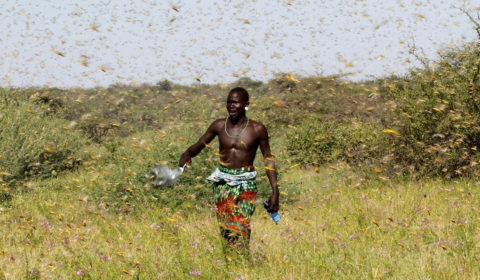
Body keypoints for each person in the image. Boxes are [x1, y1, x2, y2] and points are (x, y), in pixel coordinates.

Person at [178, 87, 279, 251]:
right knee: (226, 228)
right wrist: (187, 153)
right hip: (223, 183)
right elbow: (200, 144)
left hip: (246, 184)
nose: (231, 106)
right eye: (229, 102)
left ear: (246, 105)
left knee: (242, 223)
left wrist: (275, 190)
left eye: (236, 102)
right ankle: (230, 263)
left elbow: (268, 157)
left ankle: (243, 261)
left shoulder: (257, 129)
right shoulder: (219, 126)